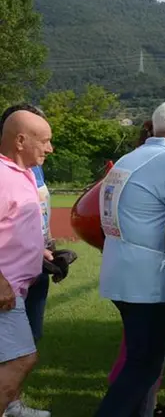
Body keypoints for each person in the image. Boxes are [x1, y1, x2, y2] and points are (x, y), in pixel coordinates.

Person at [94, 101, 165, 417]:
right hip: (149, 280)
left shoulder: (131, 157)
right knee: (144, 366)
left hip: (120, 271)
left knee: (141, 360)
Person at [0, 104, 74, 417]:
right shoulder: (3, 176)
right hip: (5, 291)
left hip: (15, 287)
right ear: (20, 141)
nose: (50, 147)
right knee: (22, 358)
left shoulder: (24, 174)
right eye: (44, 140)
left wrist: (41, 255)